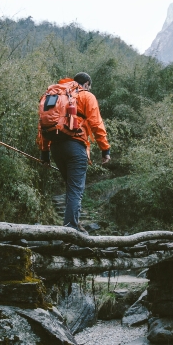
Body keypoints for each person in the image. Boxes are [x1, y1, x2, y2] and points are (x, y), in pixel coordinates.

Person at [39, 72, 110, 230]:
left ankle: (73, 224)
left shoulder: (54, 96)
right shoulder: (86, 96)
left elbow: (43, 125)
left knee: (71, 188)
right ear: (86, 84)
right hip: (76, 146)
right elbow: (96, 124)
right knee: (75, 190)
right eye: (89, 87)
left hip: (56, 147)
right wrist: (105, 149)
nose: (89, 89)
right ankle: (71, 230)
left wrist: (45, 154)